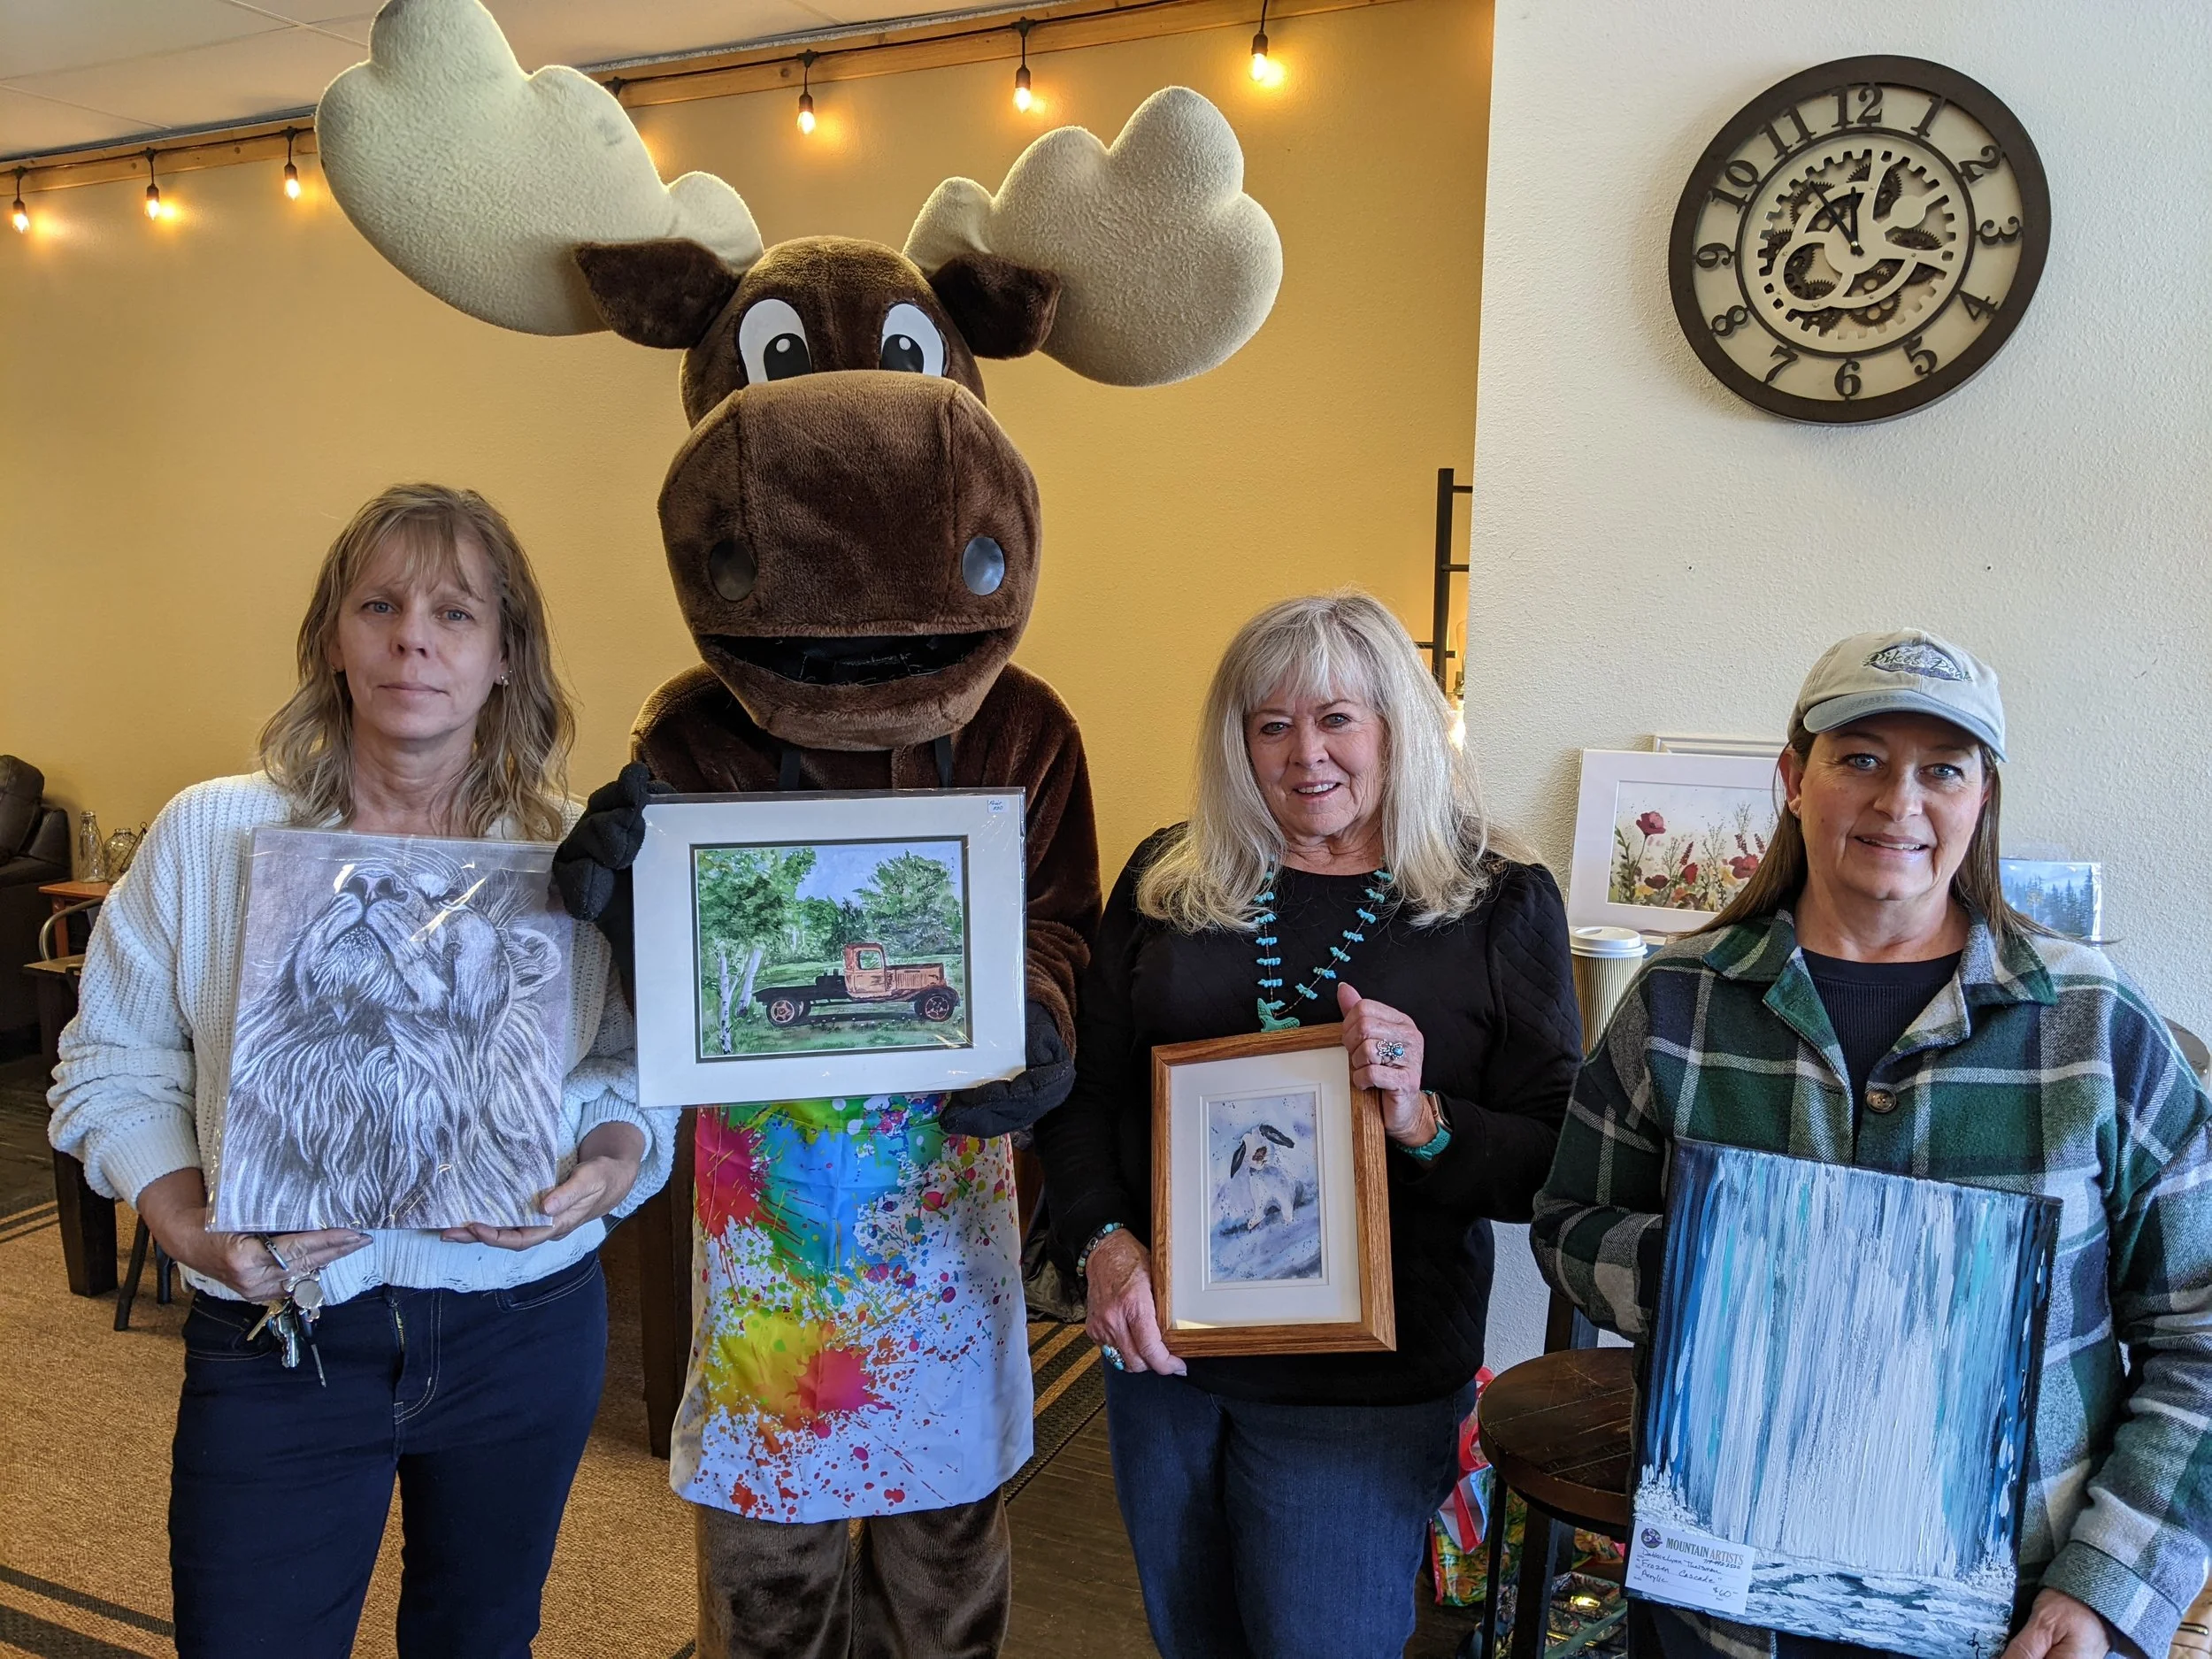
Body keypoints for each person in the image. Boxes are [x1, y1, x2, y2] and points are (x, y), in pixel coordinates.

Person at [48, 483, 675, 1659]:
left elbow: (631, 1067)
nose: (412, 640)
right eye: (379, 605)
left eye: (455, 613)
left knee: (481, 1637)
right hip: (281, 1330)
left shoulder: (576, 855)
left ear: (505, 655)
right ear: (333, 639)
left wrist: (611, 1158)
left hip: (522, 1327)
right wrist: (188, 1229)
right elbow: (112, 1063)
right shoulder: (210, 833)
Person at [1532, 629, 2212, 1659]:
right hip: (1723, 1606)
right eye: (1859, 758)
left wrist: (2108, 1589)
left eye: (1943, 769)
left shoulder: (2091, 1023)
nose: (1900, 802)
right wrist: (1714, 1275)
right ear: (1792, 780)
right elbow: (1569, 1225)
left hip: (2010, 1620)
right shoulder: (1678, 1004)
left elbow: (2198, 1329)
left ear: (1982, 799)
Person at [1034, 590, 1580, 1659]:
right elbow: (1087, 1093)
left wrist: (1422, 1117)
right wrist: (1101, 1244)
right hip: (1166, 1357)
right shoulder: (1167, 878)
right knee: (1191, 1638)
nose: (1305, 754)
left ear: (1396, 728)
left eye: (1337, 719)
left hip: (1366, 1386)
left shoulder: (1495, 901)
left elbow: (1550, 1157)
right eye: (1271, 724)